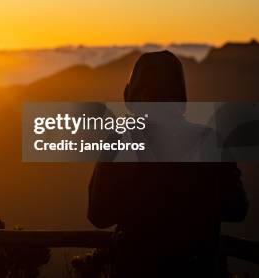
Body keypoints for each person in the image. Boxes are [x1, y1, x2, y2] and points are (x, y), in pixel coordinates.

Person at [88, 51, 248, 277]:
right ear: (181, 98)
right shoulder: (209, 140)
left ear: (131, 97)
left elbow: (98, 214)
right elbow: (237, 208)